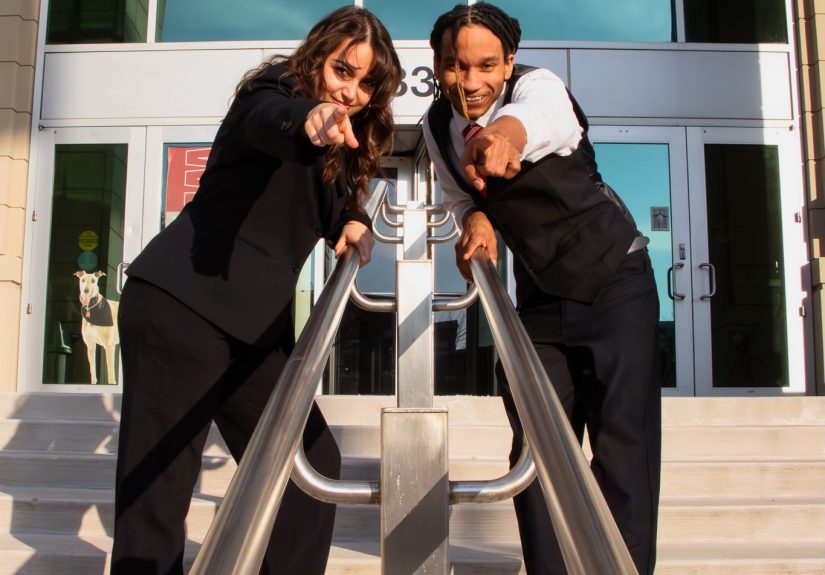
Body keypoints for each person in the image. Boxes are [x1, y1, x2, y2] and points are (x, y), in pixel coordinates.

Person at [110, 7, 401, 574]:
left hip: (254, 333)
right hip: (181, 305)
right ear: (317, 58)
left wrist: (352, 216)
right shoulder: (273, 93)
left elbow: (334, 199)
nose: (352, 93)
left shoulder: (340, 154)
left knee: (311, 464)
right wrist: (312, 116)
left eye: (367, 84)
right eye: (343, 71)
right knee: (159, 487)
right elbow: (275, 119)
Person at [422, 3, 661, 574]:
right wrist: (476, 218)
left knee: (624, 447)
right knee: (535, 449)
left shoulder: (540, 89)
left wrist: (501, 137)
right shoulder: (436, 127)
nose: (470, 82)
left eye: (485, 65)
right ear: (437, 64)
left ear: (508, 63)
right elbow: (459, 198)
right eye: (455, 67)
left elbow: (537, 122)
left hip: (614, 285)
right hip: (536, 302)